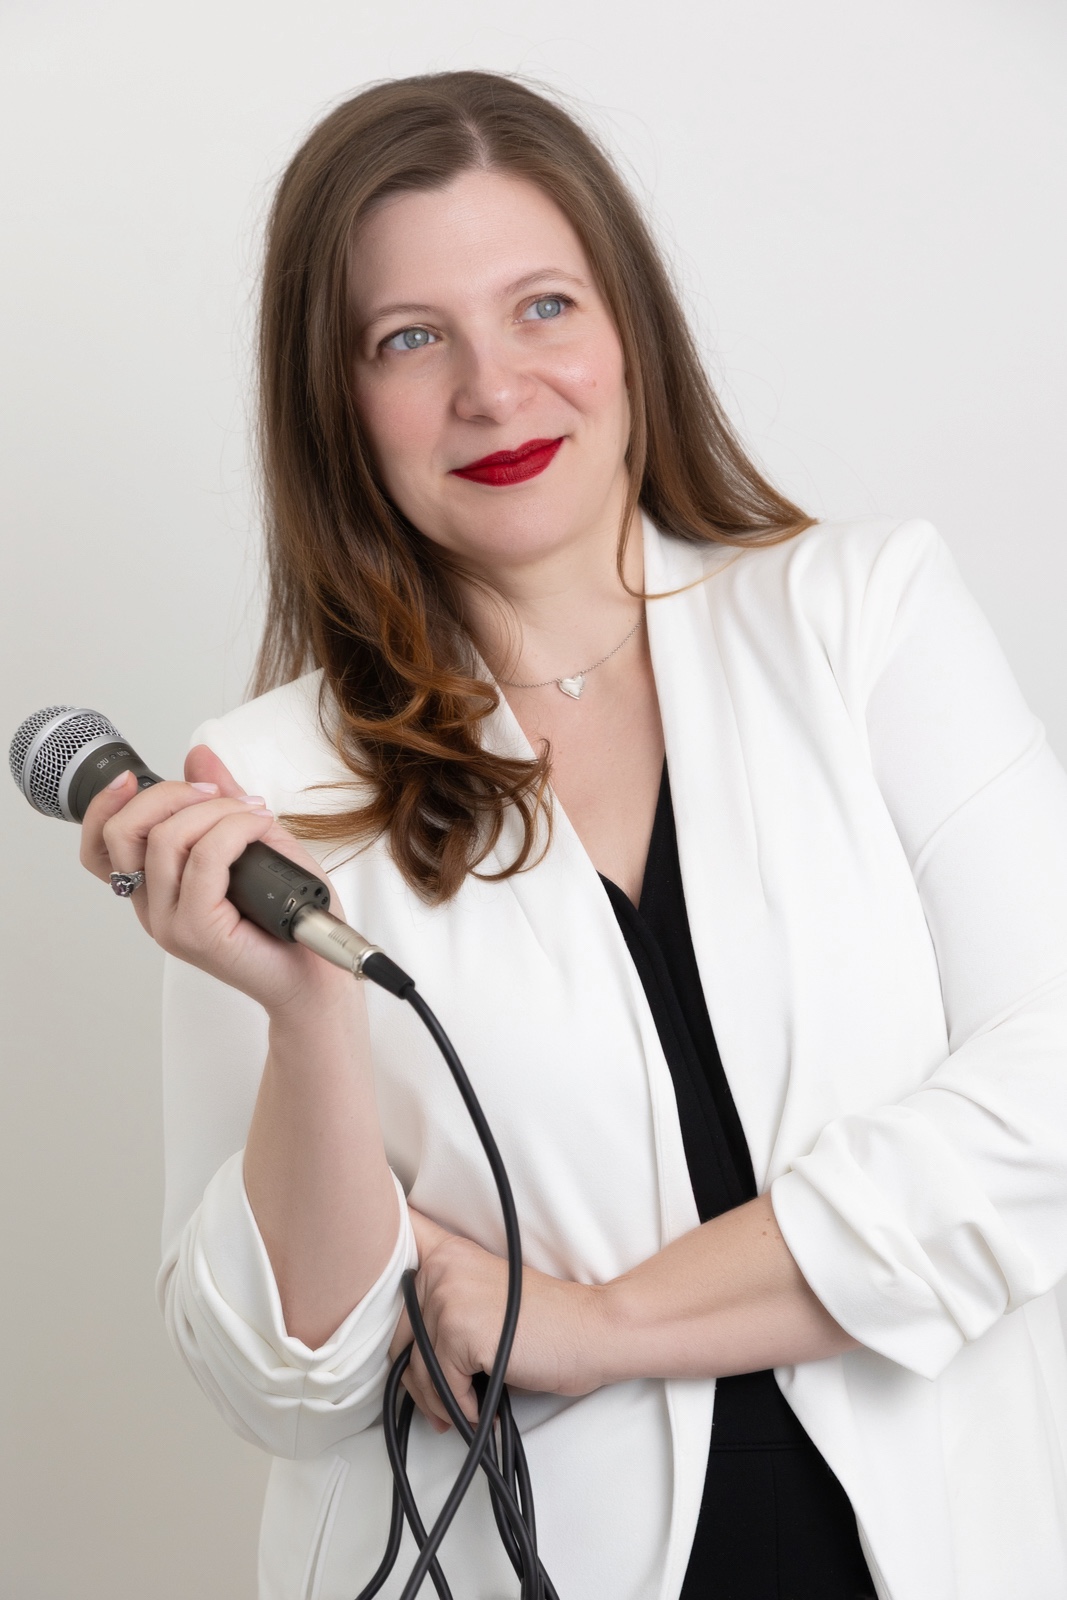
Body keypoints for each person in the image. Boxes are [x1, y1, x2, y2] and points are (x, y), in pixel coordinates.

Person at [79, 70, 1067, 1600]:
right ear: (334, 402)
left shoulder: (862, 616)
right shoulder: (263, 789)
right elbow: (287, 1389)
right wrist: (306, 1022)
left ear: (630, 327)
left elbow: (1049, 1103)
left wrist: (596, 1323)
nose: (495, 389)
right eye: (413, 340)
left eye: (543, 307)